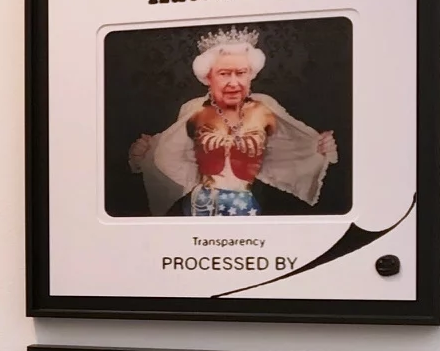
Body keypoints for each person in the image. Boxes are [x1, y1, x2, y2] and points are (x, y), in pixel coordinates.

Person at [127, 26, 337, 218]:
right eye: (224, 74)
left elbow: (292, 146)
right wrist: (146, 154)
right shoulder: (194, 110)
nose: (234, 83)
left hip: (245, 206)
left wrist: (319, 147)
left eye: (241, 73)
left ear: (250, 75)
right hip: (198, 207)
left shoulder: (265, 108)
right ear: (208, 77)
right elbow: (171, 151)